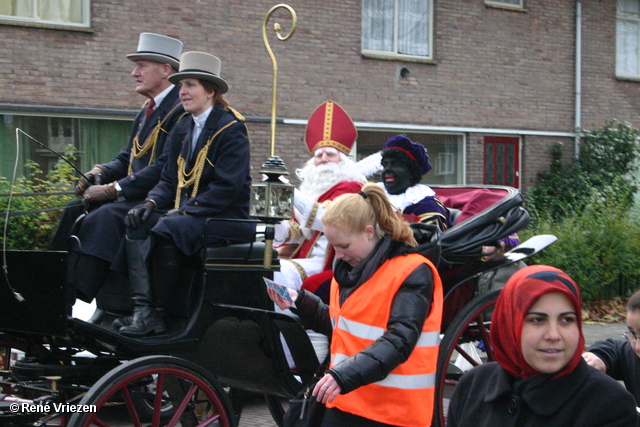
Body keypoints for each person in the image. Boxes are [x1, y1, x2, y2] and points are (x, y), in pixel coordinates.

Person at [268, 183, 443, 427]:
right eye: (334, 247)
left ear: (369, 232)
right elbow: (342, 327)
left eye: (344, 246)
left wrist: (342, 376)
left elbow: (399, 340)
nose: (337, 256)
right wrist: (299, 301)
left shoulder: (413, 271)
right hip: (349, 400)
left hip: (393, 412)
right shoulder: (350, 270)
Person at [116, 51, 254, 337]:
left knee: (168, 226)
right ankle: (143, 311)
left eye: (190, 85)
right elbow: (168, 177)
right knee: (138, 221)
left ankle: (164, 313)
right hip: (190, 213)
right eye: (180, 86)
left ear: (210, 91)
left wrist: (186, 209)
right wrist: (150, 201)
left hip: (225, 217)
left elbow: (227, 188)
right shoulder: (182, 127)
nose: (183, 92)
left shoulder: (231, 128)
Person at [58, 33, 186, 319]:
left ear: (165, 70)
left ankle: (93, 299)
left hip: (160, 199)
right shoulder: (146, 111)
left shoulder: (182, 111)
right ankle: (54, 292)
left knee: (106, 216)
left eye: (142, 65)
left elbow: (165, 168)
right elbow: (128, 156)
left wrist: (113, 189)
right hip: (134, 193)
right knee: (73, 209)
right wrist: (100, 172)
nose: (134, 73)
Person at [447, 265, 638, 427]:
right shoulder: (472, 387)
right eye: (537, 320)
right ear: (509, 323)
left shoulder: (610, 405)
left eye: (566, 319)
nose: (554, 335)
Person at [273, 100, 366, 293]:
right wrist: (274, 212)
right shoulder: (309, 191)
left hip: (335, 261)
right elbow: (295, 233)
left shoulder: (352, 187)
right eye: (318, 155)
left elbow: (327, 219)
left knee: (280, 271)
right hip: (305, 256)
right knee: (263, 263)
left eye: (330, 154)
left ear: (344, 160)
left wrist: (289, 192)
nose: (323, 159)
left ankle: (286, 318)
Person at [377, 134, 452, 231]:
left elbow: (426, 243)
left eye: (396, 164)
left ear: (412, 172)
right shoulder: (372, 198)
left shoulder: (426, 206)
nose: (387, 169)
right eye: (385, 165)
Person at [583, 289, 640, 405]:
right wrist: (598, 357)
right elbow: (617, 350)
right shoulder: (633, 357)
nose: (638, 347)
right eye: (633, 334)